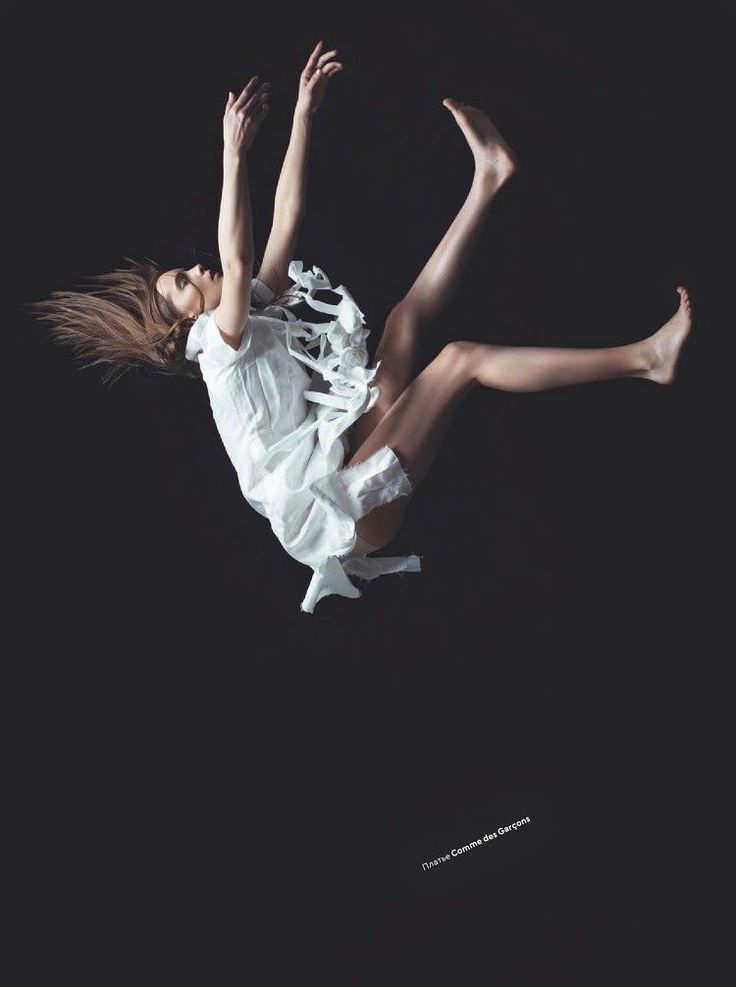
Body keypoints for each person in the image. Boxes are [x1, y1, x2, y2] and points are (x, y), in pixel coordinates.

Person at [28, 41, 693, 614]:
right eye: (183, 283)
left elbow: (284, 221)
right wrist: (232, 153)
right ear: (184, 327)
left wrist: (303, 112)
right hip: (348, 512)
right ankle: (645, 359)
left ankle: (489, 179)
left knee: (404, 323)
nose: (196, 269)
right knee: (458, 360)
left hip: (346, 456)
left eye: (183, 271)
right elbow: (233, 258)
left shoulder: (244, 317)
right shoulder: (215, 351)